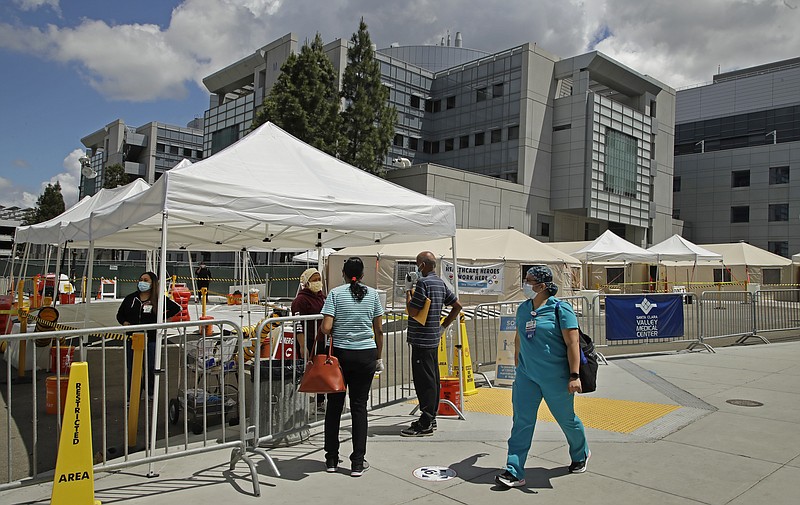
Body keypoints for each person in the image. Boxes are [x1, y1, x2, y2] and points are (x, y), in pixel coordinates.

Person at [495, 265, 589, 489]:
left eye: (529, 281)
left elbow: (572, 343)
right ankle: (514, 470)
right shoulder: (523, 309)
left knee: (567, 420)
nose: (525, 284)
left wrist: (574, 375)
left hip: (556, 377)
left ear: (542, 286)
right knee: (521, 422)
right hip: (527, 377)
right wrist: (518, 364)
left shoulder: (560, 309)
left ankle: (580, 454)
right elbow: (519, 337)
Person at [319, 257, 384, 477]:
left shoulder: (336, 294)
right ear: (363, 274)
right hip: (366, 354)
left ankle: (331, 458)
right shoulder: (373, 295)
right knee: (359, 407)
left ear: (343, 273)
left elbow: (326, 328)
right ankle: (357, 461)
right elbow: (379, 331)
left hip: (340, 355)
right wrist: (378, 357)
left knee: (334, 406)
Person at [401, 251, 462, 437]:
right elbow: (457, 306)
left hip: (421, 340)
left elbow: (412, 311)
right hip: (433, 338)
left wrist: (407, 291)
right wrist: (443, 326)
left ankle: (425, 421)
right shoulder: (440, 283)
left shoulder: (423, 284)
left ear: (422, 265)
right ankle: (431, 417)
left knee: (424, 381)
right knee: (432, 378)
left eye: (417, 264)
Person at [116, 271, 181, 401]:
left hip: (151, 338)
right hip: (133, 339)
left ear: (153, 283)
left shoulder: (158, 299)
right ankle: (133, 394)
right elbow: (120, 314)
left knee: (151, 367)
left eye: (146, 280)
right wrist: (124, 322)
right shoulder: (131, 298)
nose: (142, 282)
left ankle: (150, 392)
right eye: (141, 280)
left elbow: (176, 308)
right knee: (133, 369)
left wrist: (162, 319)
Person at [292, 267, 327, 413]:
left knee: (320, 371)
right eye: (314, 280)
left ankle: (320, 401)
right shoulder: (300, 300)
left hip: (321, 340)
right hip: (306, 340)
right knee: (303, 371)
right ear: (306, 282)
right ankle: (298, 402)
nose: (318, 282)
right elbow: (298, 324)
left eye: (319, 279)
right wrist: (302, 345)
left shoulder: (322, 297)